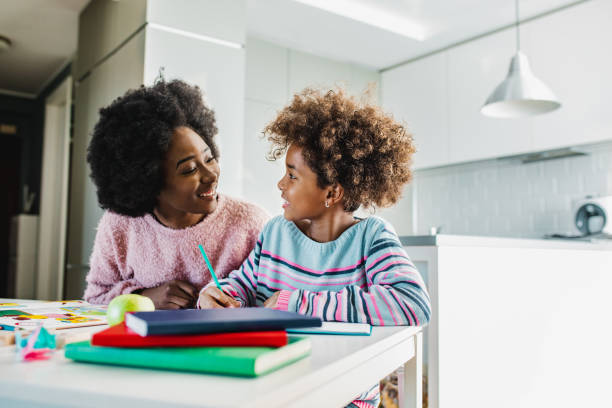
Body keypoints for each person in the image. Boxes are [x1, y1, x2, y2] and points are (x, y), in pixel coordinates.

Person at [198, 88, 431, 408]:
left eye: (292, 176)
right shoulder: (275, 234)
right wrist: (221, 293)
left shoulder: (371, 239)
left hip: (347, 397)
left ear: (332, 192)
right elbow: (245, 285)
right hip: (276, 388)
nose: (280, 184)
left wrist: (294, 305)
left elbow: (412, 303)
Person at [83, 79, 268, 309]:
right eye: (189, 169)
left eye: (209, 158)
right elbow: (94, 300)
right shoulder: (120, 226)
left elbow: (274, 300)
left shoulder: (251, 223)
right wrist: (144, 297)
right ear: (150, 181)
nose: (211, 175)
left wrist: (236, 303)